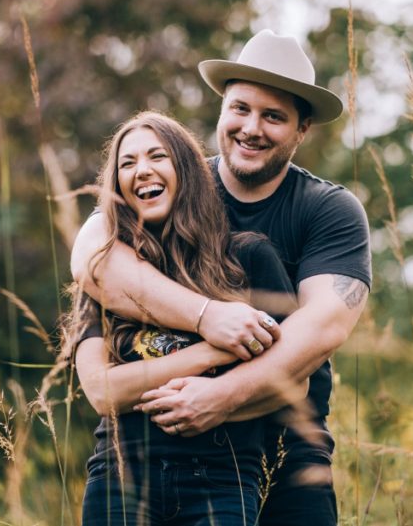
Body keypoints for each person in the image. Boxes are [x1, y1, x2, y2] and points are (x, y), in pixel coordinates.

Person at [71, 30, 372, 525]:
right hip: (157, 457)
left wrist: (221, 397)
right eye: (240, 108)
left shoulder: (328, 210)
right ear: (221, 110)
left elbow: (323, 328)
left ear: (302, 129)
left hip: (288, 456)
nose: (251, 128)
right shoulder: (167, 186)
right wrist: (208, 318)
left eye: (273, 116)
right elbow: (92, 258)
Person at [64, 111, 303, 525]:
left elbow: (293, 380)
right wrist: (213, 350)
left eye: (158, 156)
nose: (142, 171)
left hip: (221, 480)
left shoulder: (248, 258)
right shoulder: (103, 273)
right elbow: (102, 391)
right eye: (127, 163)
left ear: (187, 170)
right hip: (120, 479)